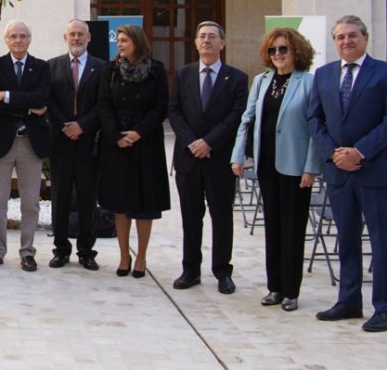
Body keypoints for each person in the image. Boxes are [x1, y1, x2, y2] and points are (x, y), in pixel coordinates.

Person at [308, 15, 387, 333]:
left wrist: (359, 152)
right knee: (347, 240)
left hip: (375, 169)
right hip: (339, 171)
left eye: (352, 35)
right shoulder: (323, 74)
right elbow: (314, 119)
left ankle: (386, 309)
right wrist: (334, 154)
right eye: (340, 37)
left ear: (366, 38)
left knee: (383, 242)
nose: (346, 41)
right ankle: (349, 300)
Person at [231, 27, 321, 312]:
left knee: (293, 228)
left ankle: (291, 290)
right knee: (273, 227)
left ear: (297, 52)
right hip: (267, 164)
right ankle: (275, 287)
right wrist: (237, 156)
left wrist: (311, 167)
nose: (278, 54)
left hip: (296, 166)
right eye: (273, 50)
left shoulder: (309, 83)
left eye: (283, 49)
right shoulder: (261, 81)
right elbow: (247, 119)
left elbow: (316, 127)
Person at [169, 21, 248, 294]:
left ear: (222, 43)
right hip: (189, 158)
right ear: (195, 42)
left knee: (221, 217)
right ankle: (190, 270)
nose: (206, 41)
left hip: (219, 159)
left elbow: (236, 115)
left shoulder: (237, 78)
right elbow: (174, 111)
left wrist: (209, 142)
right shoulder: (184, 74)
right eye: (202, 36)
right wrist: (193, 142)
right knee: (191, 217)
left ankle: (223, 271)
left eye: (212, 37)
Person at [97, 24, 169, 279]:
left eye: (124, 40)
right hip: (116, 145)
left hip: (146, 144)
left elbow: (161, 106)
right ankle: (124, 256)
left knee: (144, 204)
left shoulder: (156, 69)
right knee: (120, 203)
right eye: (118, 40)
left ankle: (141, 256)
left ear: (137, 43)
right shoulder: (110, 70)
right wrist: (116, 136)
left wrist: (138, 133)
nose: (119, 44)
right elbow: (103, 105)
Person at [0, 20, 50, 272]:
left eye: (23, 36)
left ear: (29, 39)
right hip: (2, 142)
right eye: (13, 36)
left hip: (31, 143)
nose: (18, 40)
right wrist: (29, 108)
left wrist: (6, 95)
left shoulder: (41, 67)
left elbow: (42, 97)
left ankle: (28, 252)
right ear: (6, 40)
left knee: (30, 202)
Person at [46, 19, 104, 271]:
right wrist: (65, 125)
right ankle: (61, 250)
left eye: (81, 34)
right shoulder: (52, 66)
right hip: (60, 143)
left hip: (88, 143)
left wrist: (82, 126)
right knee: (59, 197)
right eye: (72, 34)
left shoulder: (101, 67)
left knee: (87, 199)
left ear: (89, 37)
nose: (76, 38)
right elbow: (48, 100)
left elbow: (103, 103)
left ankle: (86, 251)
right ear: (65, 37)